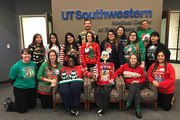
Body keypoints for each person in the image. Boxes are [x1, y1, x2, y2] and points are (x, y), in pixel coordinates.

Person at [112, 54, 146, 119]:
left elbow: (143, 79)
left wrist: (137, 81)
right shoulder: (125, 66)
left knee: (135, 85)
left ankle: (128, 103)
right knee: (136, 90)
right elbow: (117, 72)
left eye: (135, 58)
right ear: (129, 59)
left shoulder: (139, 68)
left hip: (139, 84)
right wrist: (112, 78)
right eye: (132, 58)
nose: (133, 60)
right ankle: (138, 110)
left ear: (136, 60)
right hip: (129, 84)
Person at [4, 48, 37, 113]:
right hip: (20, 90)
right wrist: (20, 84)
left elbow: (34, 75)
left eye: (29, 54)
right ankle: (9, 103)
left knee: (32, 106)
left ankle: (21, 101)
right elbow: (11, 79)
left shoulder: (33, 64)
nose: (27, 56)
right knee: (23, 109)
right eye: (25, 54)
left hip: (32, 89)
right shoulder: (16, 66)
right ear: (21, 55)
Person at [93, 51, 115, 116]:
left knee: (105, 92)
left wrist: (112, 79)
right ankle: (100, 107)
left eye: (106, 55)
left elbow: (113, 74)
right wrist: (95, 77)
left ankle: (105, 107)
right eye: (104, 55)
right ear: (101, 57)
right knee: (97, 91)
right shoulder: (98, 64)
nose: (105, 57)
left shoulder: (112, 64)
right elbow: (95, 72)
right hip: (99, 82)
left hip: (108, 82)